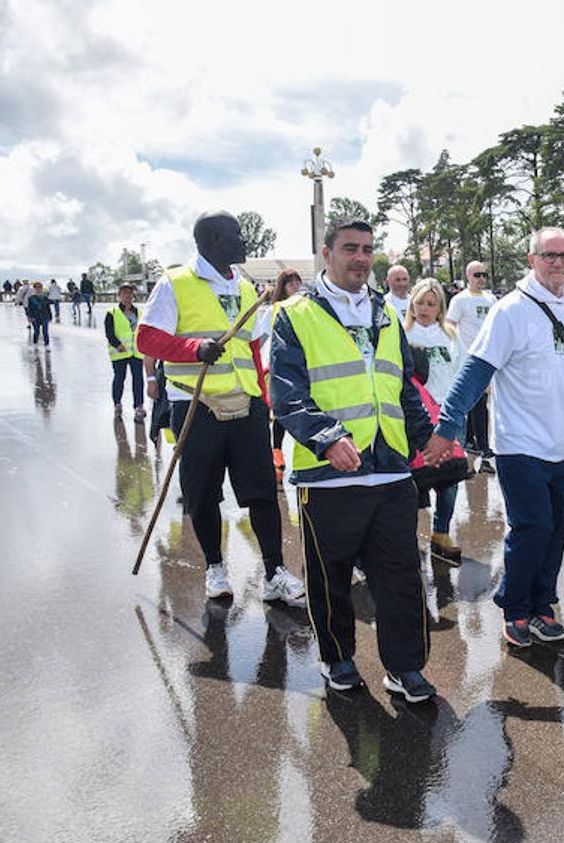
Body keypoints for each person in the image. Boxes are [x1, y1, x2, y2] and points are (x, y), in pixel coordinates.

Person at [269, 219, 436, 699]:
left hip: (388, 471)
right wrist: (326, 439)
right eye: (350, 248)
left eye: (367, 249)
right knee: (330, 579)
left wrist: (427, 437)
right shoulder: (293, 315)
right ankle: (337, 658)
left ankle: (404, 667)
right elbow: (286, 394)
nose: (360, 257)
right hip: (327, 476)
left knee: (401, 576)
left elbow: (401, 385)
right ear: (327, 253)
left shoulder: (385, 313)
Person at [423, 226, 564, 648]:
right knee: (532, 525)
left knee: (555, 531)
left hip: (563, 442)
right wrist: (448, 427)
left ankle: (541, 605)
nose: (557, 262)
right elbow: (475, 371)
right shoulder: (510, 310)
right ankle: (514, 608)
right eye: (548, 255)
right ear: (531, 260)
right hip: (520, 444)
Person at [136, 210, 306, 606]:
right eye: (236, 235)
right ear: (212, 241)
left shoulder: (245, 288)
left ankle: (274, 573)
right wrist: (193, 349)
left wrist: (265, 398)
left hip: (245, 406)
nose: (244, 241)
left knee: (263, 492)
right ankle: (215, 567)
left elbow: (250, 349)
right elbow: (146, 338)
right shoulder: (175, 283)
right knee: (203, 494)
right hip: (197, 406)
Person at [405, 277, 464, 565]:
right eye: (420, 303)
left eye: (431, 303)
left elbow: (463, 372)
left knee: (449, 478)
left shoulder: (451, 335)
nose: (425, 308)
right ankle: (408, 537)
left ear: (440, 306)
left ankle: (441, 533)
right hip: (416, 418)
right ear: (411, 304)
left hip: (448, 415)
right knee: (415, 479)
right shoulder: (401, 334)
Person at [443, 260, 496, 473]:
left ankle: (474, 442)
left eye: (484, 274)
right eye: (477, 275)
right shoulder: (460, 300)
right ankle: (484, 448)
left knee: (480, 403)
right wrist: (458, 351)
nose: (481, 279)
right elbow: (449, 324)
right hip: (470, 359)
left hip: (490, 357)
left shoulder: (491, 299)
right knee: (478, 402)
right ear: (468, 277)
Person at [255, 268, 303, 480]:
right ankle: (277, 454)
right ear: (282, 286)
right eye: (290, 283)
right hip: (276, 369)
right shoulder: (272, 311)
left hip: (301, 369)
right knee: (279, 413)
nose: (295, 286)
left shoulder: (306, 309)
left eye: (297, 282)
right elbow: (259, 340)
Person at [105, 283, 146, 420]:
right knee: (119, 379)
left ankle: (139, 406)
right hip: (119, 353)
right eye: (124, 293)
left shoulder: (139, 312)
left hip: (136, 352)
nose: (127, 295)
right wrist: (118, 345)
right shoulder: (112, 313)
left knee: (138, 380)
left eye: (130, 293)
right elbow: (109, 333)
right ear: (119, 295)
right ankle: (117, 404)